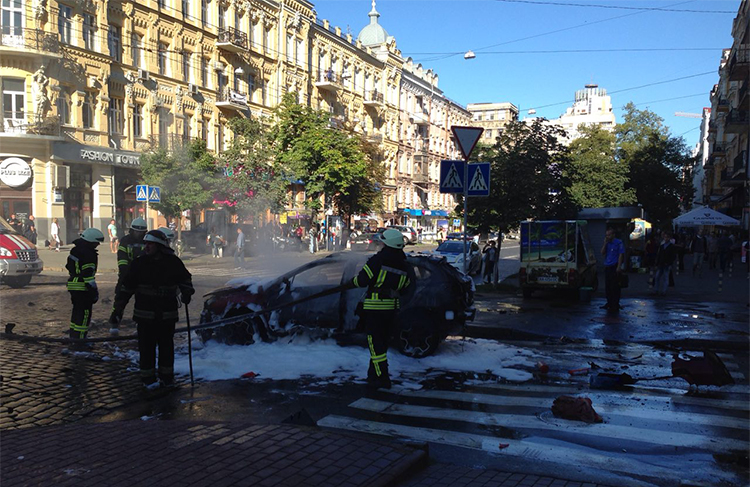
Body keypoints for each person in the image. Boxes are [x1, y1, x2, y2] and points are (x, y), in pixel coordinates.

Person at [110, 230, 194, 388]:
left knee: (166, 349)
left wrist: (187, 292)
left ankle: (166, 378)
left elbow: (185, 278)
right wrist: (118, 309)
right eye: (146, 243)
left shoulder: (173, 262)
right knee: (146, 349)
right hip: (145, 315)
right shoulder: (139, 263)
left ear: (160, 246)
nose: (146, 246)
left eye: (151, 244)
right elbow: (127, 288)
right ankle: (147, 379)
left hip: (166, 315)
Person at [350, 228, 413, 390]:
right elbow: (407, 289)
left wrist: (353, 281)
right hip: (392, 310)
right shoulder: (406, 266)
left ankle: (383, 378)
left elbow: (362, 280)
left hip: (374, 310)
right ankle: (372, 376)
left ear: (387, 244)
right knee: (381, 344)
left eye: (382, 242)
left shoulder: (377, 261)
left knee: (375, 345)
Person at [67, 228, 104, 349]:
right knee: (84, 314)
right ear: (91, 241)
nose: (97, 245)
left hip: (73, 284)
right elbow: (88, 275)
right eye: (96, 242)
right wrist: (94, 292)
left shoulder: (75, 250)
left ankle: (73, 337)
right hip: (83, 287)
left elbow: (68, 266)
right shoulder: (89, 254)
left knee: (76, 312)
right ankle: (81, 341)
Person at [110, 217, 148, 335]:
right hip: (127, 276)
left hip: (142, 278)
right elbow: (122, 259)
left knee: (142, 302)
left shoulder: (147, 241)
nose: (139, 234)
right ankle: (114, 322)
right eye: (137, 231)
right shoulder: (125, 241)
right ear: (132, 230)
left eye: (141, 232)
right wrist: (126, 274)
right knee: (120, 301)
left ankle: (140, 324)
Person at [600, 227, 625, 311]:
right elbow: (602, 253)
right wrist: (605, 243)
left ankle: (615, 304)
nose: (608, 236)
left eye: (609, 235)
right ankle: (609, 302)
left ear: (613, 235)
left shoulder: (618, 243)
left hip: (614, 266)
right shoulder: (607, 243)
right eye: (607, 235)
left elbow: (621, 255)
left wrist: (619, 266)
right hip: (607, 265)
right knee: (608, 286)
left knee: (615, 286)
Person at [654, 231, 676, 296]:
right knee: (657, 277)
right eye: (665, 237)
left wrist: (669, 263)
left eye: (667, 237)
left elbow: (673, 256)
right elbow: (659, 255)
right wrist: (657, 263)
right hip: (661, 263)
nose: (666, 239)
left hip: (667, 264)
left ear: (669, 238)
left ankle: (664, 291)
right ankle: (656, 290)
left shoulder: (671, 247)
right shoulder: (662, 246)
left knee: (665, 277)